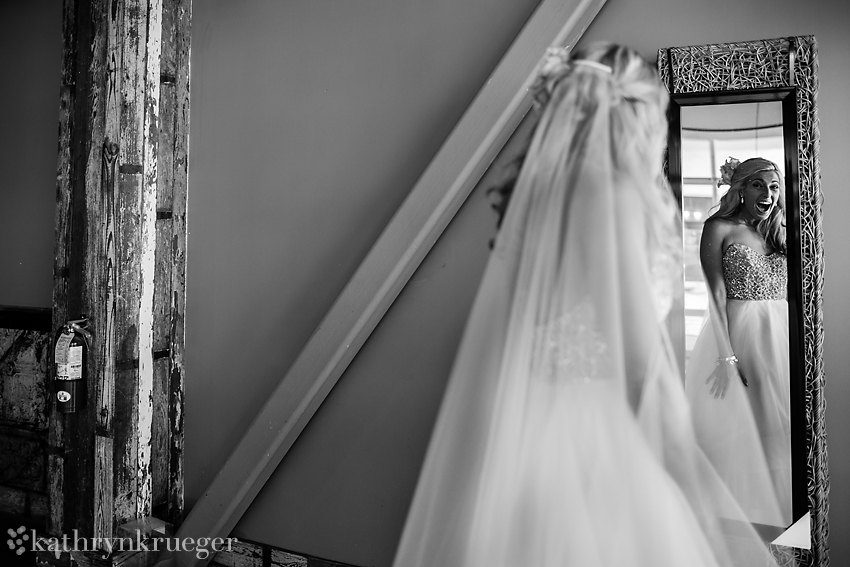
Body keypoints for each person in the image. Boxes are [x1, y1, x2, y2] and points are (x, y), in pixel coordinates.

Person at [392, 43, 783, 567]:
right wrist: (687, 468)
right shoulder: (612, 195)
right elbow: (639, 357)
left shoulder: (556, 193)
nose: (658, 133)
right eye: (655, 115)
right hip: (590, 430)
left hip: (533, 419)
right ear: (631, 115)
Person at [685, 157, 792, 526]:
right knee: (748, 430)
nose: (768, 194)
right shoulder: (719, 227)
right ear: (741, 188)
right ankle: (748, 523)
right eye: (759, 185)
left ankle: (785, 518)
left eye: (774, 187)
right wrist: (727, 357)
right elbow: (715, 295)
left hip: (783, 331)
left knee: (784, 429)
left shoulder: (780, 229)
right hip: (742, 331)